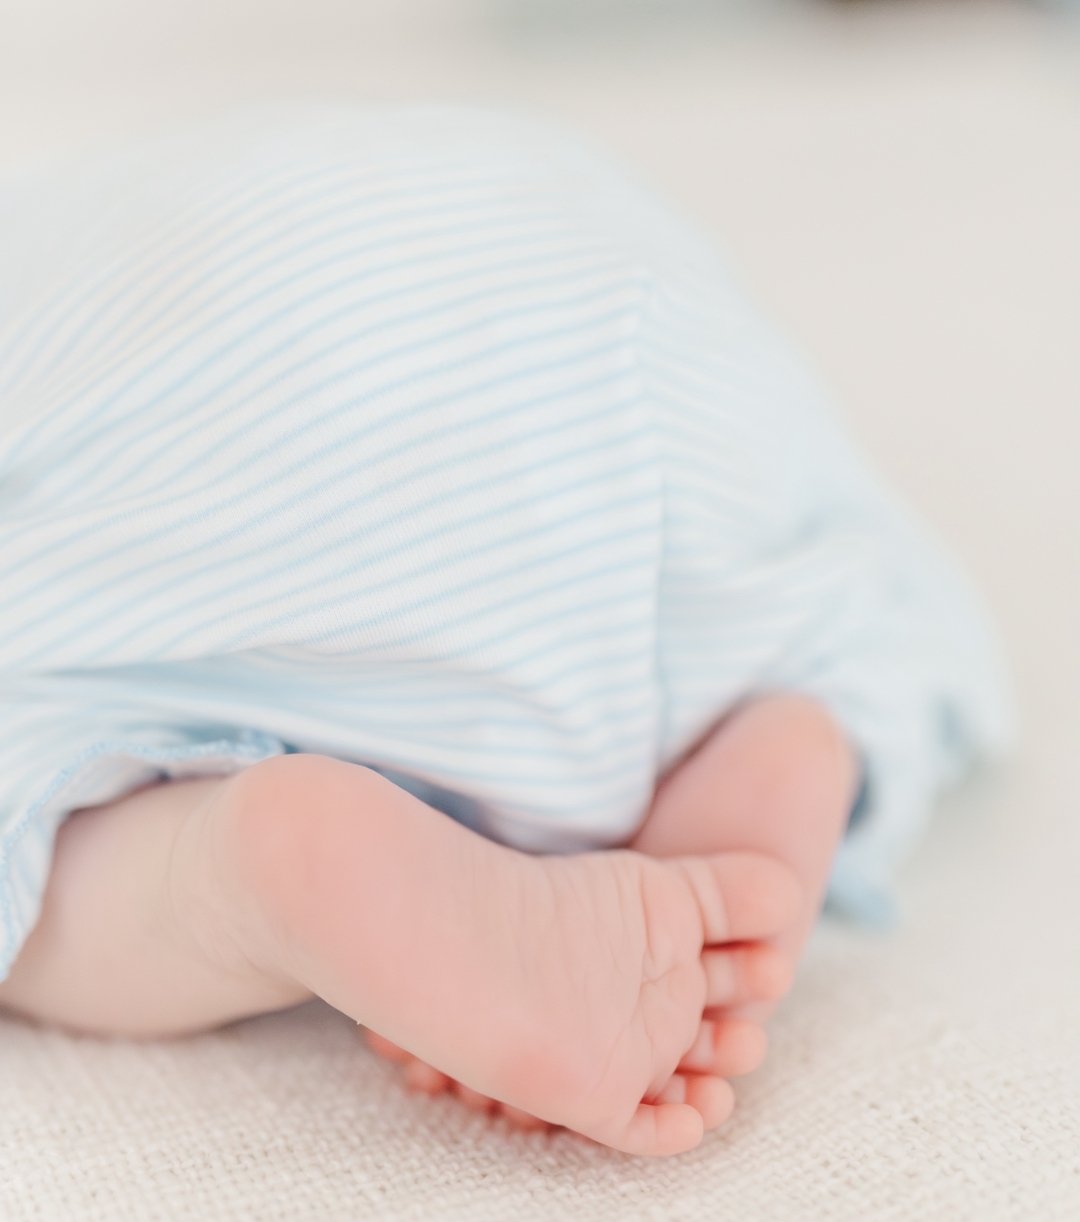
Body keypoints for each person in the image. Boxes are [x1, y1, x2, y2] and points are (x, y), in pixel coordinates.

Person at [0, 106, 1011, 1155]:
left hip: (262, 456)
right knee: (837, 603)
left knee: (44, 855)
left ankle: (246, 864)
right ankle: (773, 731)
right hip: (604, 297)